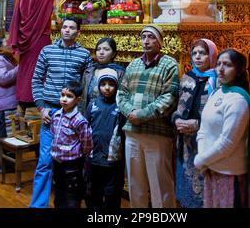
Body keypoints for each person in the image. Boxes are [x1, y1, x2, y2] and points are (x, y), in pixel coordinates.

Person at [30, 17, 92, 208]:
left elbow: (87, 85)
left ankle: (69, 202)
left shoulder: (84, 54)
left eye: (71, 28)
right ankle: (38, 205)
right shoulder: (47, 51)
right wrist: (41, 108)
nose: (67, 30)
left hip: (73, 115)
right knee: (45, 162)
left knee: (72, 163)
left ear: (78, 32)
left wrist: (81, 112)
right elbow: (36, 80)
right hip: (51, 112)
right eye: (64, 27)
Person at [117, 25, 179, 208]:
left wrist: (142, 115)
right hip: (132, 132)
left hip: (157, 132)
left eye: (151, 37)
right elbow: (121, 94)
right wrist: (130, 112)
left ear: (159, 41)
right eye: (143, 36)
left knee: (160, 183)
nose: (146, 40)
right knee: (135, 185)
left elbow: (169, 97)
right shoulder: (133, 64)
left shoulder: (169, 64)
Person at [7, 0, 84, 108]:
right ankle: (35, 102)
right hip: (38, 35)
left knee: (26, 68)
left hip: (26, 36)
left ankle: (22, 103)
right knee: (40, 68)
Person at [194, 49, 250, 208]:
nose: (221, 69)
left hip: (230, 174)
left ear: (238, 70)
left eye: (227, 65)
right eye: (218, 64)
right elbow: (203, 130)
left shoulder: (238, 100)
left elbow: (227, 143)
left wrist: (201, 160)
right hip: (212, 168)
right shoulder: (216, 93)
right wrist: (203, 158)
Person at [172, 38, 218, 207]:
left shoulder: (218, 81)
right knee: (187, 189)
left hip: (208, 143)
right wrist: (177, 120)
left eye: (203, 53)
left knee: (206, 193)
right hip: (186, 143)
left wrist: (197, 124)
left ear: (212, 56)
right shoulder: (187, 77)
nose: (198, 57)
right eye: (194, 53)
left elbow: (219, 116)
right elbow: (179, 106)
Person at [85, 68, 125, 209]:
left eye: (111, 84)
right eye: (103, 84)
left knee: (112, 195)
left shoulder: (121, 106)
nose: (107, 88)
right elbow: (85, 128)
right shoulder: (92, 104)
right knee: (93, 193)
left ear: (116, 85)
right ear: (98, 86)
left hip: (113, 160)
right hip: (93, 158)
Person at [51, 81, 93, 208]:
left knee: (72, 195)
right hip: (57, 161)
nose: (64, 99)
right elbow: (54, 134)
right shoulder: (56, 115)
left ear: (78, 100)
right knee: (58, 193)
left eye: (69, 96)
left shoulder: (79, 120)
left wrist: (81, 155)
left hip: (72, 163)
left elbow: (87, 142)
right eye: (63, 95)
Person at [0, 38, 18, 174]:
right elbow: (4, 78)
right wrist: (21, 67)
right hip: (0, 104)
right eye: (7, 43)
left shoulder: (4, 58)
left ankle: (2, 164)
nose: (11, 45)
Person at [81, 37, 125, 112]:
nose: (101, 52)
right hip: (88, 113)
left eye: (106, 49)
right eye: (98, 49)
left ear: (113, 53)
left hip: (110, 113)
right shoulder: (88, 72)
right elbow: (82, 97)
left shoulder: (120, 73)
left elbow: (122, 98)